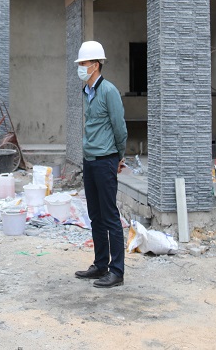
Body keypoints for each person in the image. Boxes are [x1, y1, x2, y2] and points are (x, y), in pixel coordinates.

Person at [73, 41, 128, 289]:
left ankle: (117, 271)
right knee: (95, 216)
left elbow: (119, 127)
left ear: (95, 65)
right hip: (90, 160)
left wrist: (119, 156)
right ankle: (100, 264)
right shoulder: (87, 91)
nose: (80, 68)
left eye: (84, 63)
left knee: (110, 216)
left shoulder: (109, 91)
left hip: (106, 160)